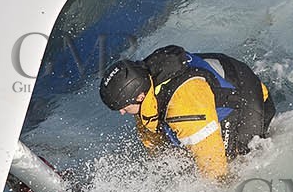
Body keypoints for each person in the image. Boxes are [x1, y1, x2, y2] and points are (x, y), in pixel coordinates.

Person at [99, 45, 274, 178]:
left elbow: (214, 167)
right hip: (219, 79)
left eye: (123, 106)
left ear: (140, 96)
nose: (122, 112)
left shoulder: (183, 105)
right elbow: (156, 145)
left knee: (235, 167)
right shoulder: (145, 89)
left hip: (246, 98)